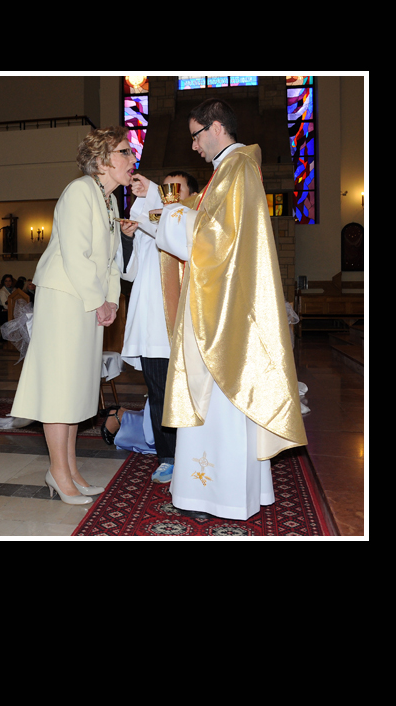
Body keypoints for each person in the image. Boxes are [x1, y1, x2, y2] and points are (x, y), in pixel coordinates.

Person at [155, 99, 307, 520]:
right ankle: (231, 493)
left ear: (217, 127)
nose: (194, 146)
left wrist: (172, 216)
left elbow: (215, 240)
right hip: (223, 305)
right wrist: (173, 213)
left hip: (222, 316)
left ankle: (215, 497)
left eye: (196, 135)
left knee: (218, 402)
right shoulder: (230, 170)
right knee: (223, 405)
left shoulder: (236, 168)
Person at [9, 126, 133, 505]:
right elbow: (77, 256)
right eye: (125, 152)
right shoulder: (79, 192)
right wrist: (99, 301)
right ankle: (58, 472)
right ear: (102, 161)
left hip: (88, 299)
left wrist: (110, 300)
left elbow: (110, 262)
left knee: (79, 386)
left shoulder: (109, 202)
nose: (132, 159)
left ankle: (70, 470)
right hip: (65, 297)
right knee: (61, 386)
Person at [106, 171, 199, 486]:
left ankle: (196, 454)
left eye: (175, 190)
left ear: (191, 197)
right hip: (152, 327)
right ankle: (168, 457)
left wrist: (154, 194)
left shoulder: (194, 222)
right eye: (165, 189)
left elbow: (175, 232)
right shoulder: (150, 226)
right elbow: (130, 272)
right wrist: (129, 238)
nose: (168, 195)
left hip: (184, 325)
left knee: (191, 393)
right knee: (159, 394)